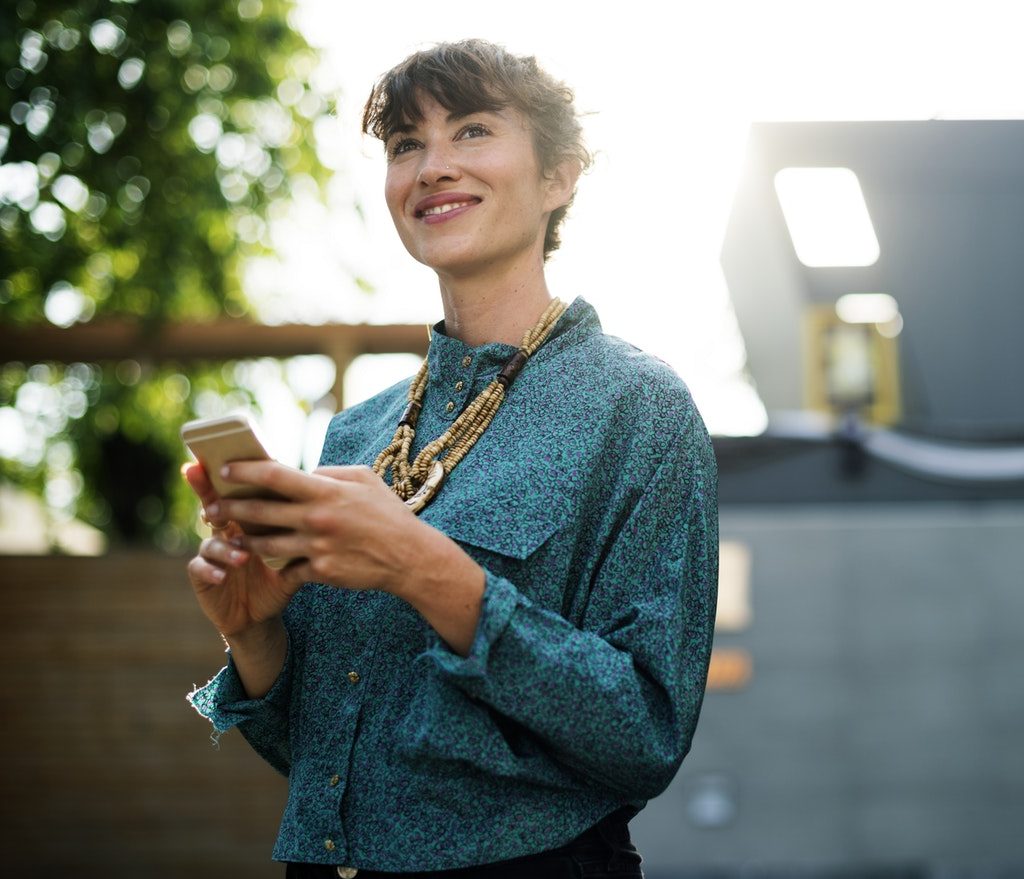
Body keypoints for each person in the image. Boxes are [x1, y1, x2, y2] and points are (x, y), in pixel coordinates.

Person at [185, 39, 718, 879]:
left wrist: (423, 567)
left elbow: (647, 734)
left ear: (559, 177)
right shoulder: (355, 434)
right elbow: (323, 759)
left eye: (471, 131)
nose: (432, 166)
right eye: (405, 144)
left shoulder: (639, 408)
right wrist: (251, 632)